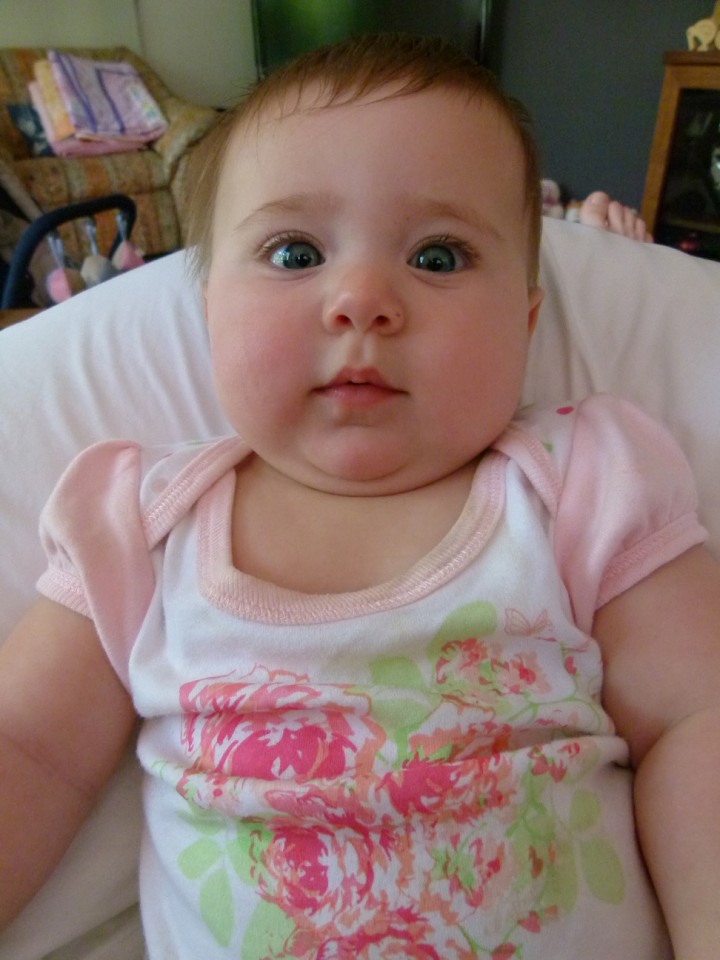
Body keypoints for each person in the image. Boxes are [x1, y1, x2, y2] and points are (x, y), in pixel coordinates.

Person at [1, 33, 719, 959]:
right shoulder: (140, 524)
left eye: (440, 257)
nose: (362, 299)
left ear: (526, 319)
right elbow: (28, 747)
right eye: (295, 252)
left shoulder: (579, 482)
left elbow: (698, 720)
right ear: (209, 310)